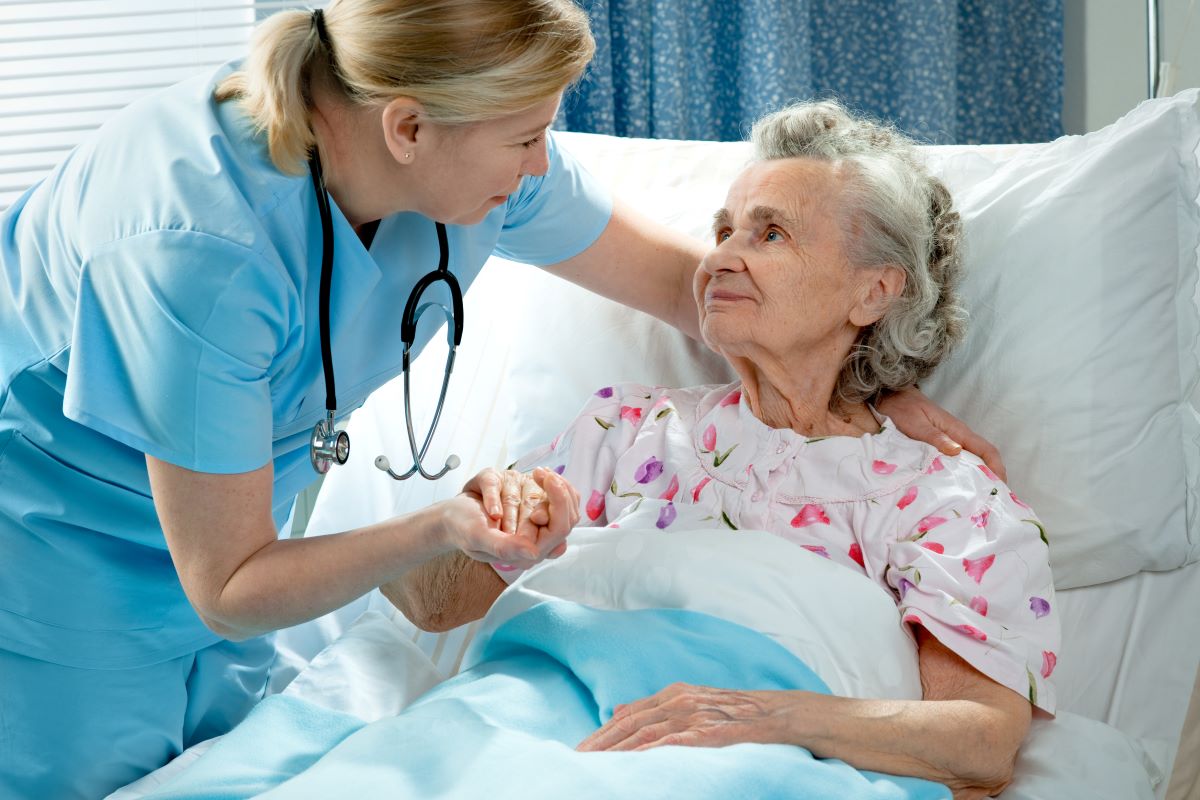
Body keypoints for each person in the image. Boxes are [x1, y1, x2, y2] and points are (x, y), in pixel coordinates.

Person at [0, 3, 1001, 798]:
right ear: (408, 129)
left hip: (247, 533)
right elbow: (339, 592)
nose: (542, 164)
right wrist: (455, 526)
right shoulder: (194, 244)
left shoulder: (944, 497)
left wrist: (881, 381)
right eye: (527, 138)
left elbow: (681, 284)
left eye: (772, 235)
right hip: (52, 532)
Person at [392, 100, 1059, 800]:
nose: (718, 258)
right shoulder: (622, 430)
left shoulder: (949, 500)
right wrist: (473, 527)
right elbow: (427, 605)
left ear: (875, 291)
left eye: (770, 234)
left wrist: (763, 717)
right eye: (722, 230)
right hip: (526, 735)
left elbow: (981, 743)